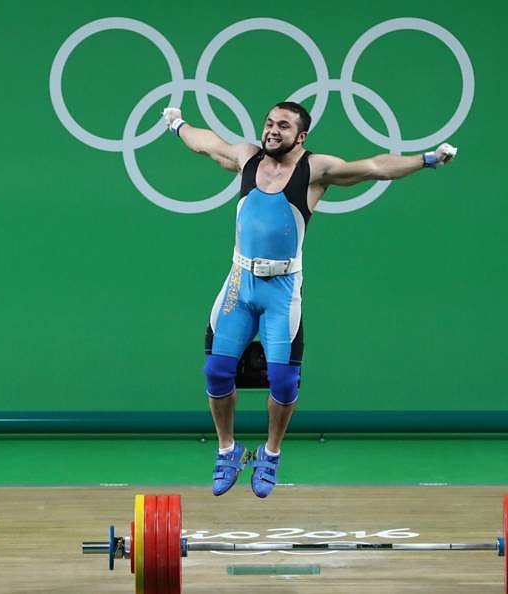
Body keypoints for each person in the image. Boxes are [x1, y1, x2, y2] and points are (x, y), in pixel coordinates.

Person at [161, 102, 457, 498]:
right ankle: (228, 450)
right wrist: (177, 124)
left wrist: (428, 160)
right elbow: (206, 143)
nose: (272, 130)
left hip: (281, 290)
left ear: (300, 136)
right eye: (269, 123)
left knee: (283, 381)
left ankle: (270, 453)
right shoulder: (248, 157)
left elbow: (375, 167)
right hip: (239, 283)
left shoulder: (315, 170)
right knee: (216, 371)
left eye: (283, 126)